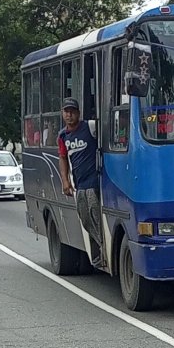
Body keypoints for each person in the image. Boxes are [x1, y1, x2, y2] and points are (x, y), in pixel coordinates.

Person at [57, 97, 103, 267]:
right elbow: (62, 158)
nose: (69, 115)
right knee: (84, 216)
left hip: (94, 180)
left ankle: (103, 247)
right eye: (66, 112)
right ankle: (99, 245)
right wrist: (65, 181)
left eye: (72, 112)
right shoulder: (63, 135)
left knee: (93, 208)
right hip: (79, 183)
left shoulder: (90, 127)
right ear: (63, 114)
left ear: (78, 113)